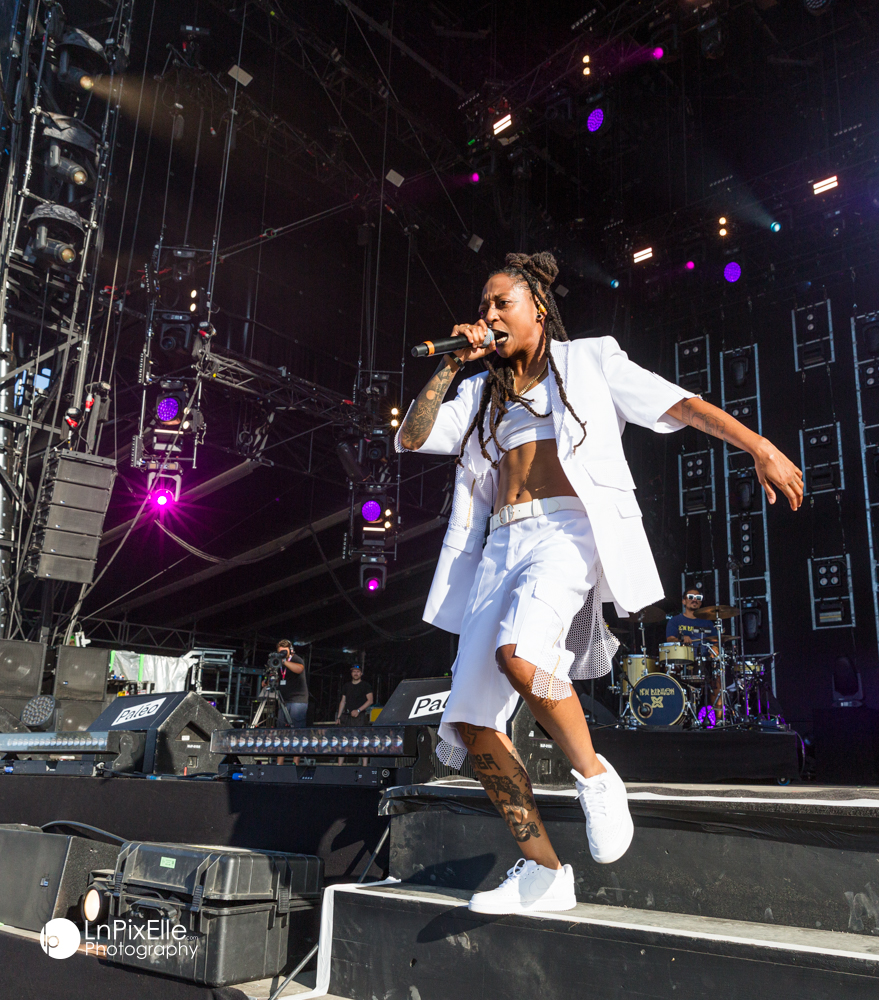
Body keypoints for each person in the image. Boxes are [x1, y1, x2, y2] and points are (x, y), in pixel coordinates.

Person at [396, 251, 802, 915]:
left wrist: (758, 445)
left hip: (566, 532)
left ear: (538, 309)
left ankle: (595, 775)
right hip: (498, 544)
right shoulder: (479, 392)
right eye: (483, 305)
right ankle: (544, 873)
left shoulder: (588, 360)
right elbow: (413, 436)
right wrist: (450, 364)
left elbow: (680, 404)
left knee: (519, 657)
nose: (489, 315)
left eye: (502, 302)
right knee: (469, 723)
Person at [271, 640, 307, 765]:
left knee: (297, 732)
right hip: (284, 701)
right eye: (280, 652)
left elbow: (299, 669)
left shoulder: (296, 659)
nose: (282, 654)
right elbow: (276, 678)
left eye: (284, 651)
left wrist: (284, 661)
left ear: (290, 650)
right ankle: (279, 764)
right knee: (282, 732)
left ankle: (295, 764)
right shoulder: (279, 663)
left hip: (298, 700)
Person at [336, 665, 374, 765]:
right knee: (343, 740)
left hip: (360, 716)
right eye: (354, 671)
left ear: (361, 673)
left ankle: (365, 766)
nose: (356, 673)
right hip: (347, 716)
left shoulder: (365, 685)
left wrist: (358, 710)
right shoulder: (346, 685)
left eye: (358, 671)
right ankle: (339, 766)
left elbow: (370, 700)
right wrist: (339, 716)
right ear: (351, 673)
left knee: (362, 740)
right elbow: (343, 701)